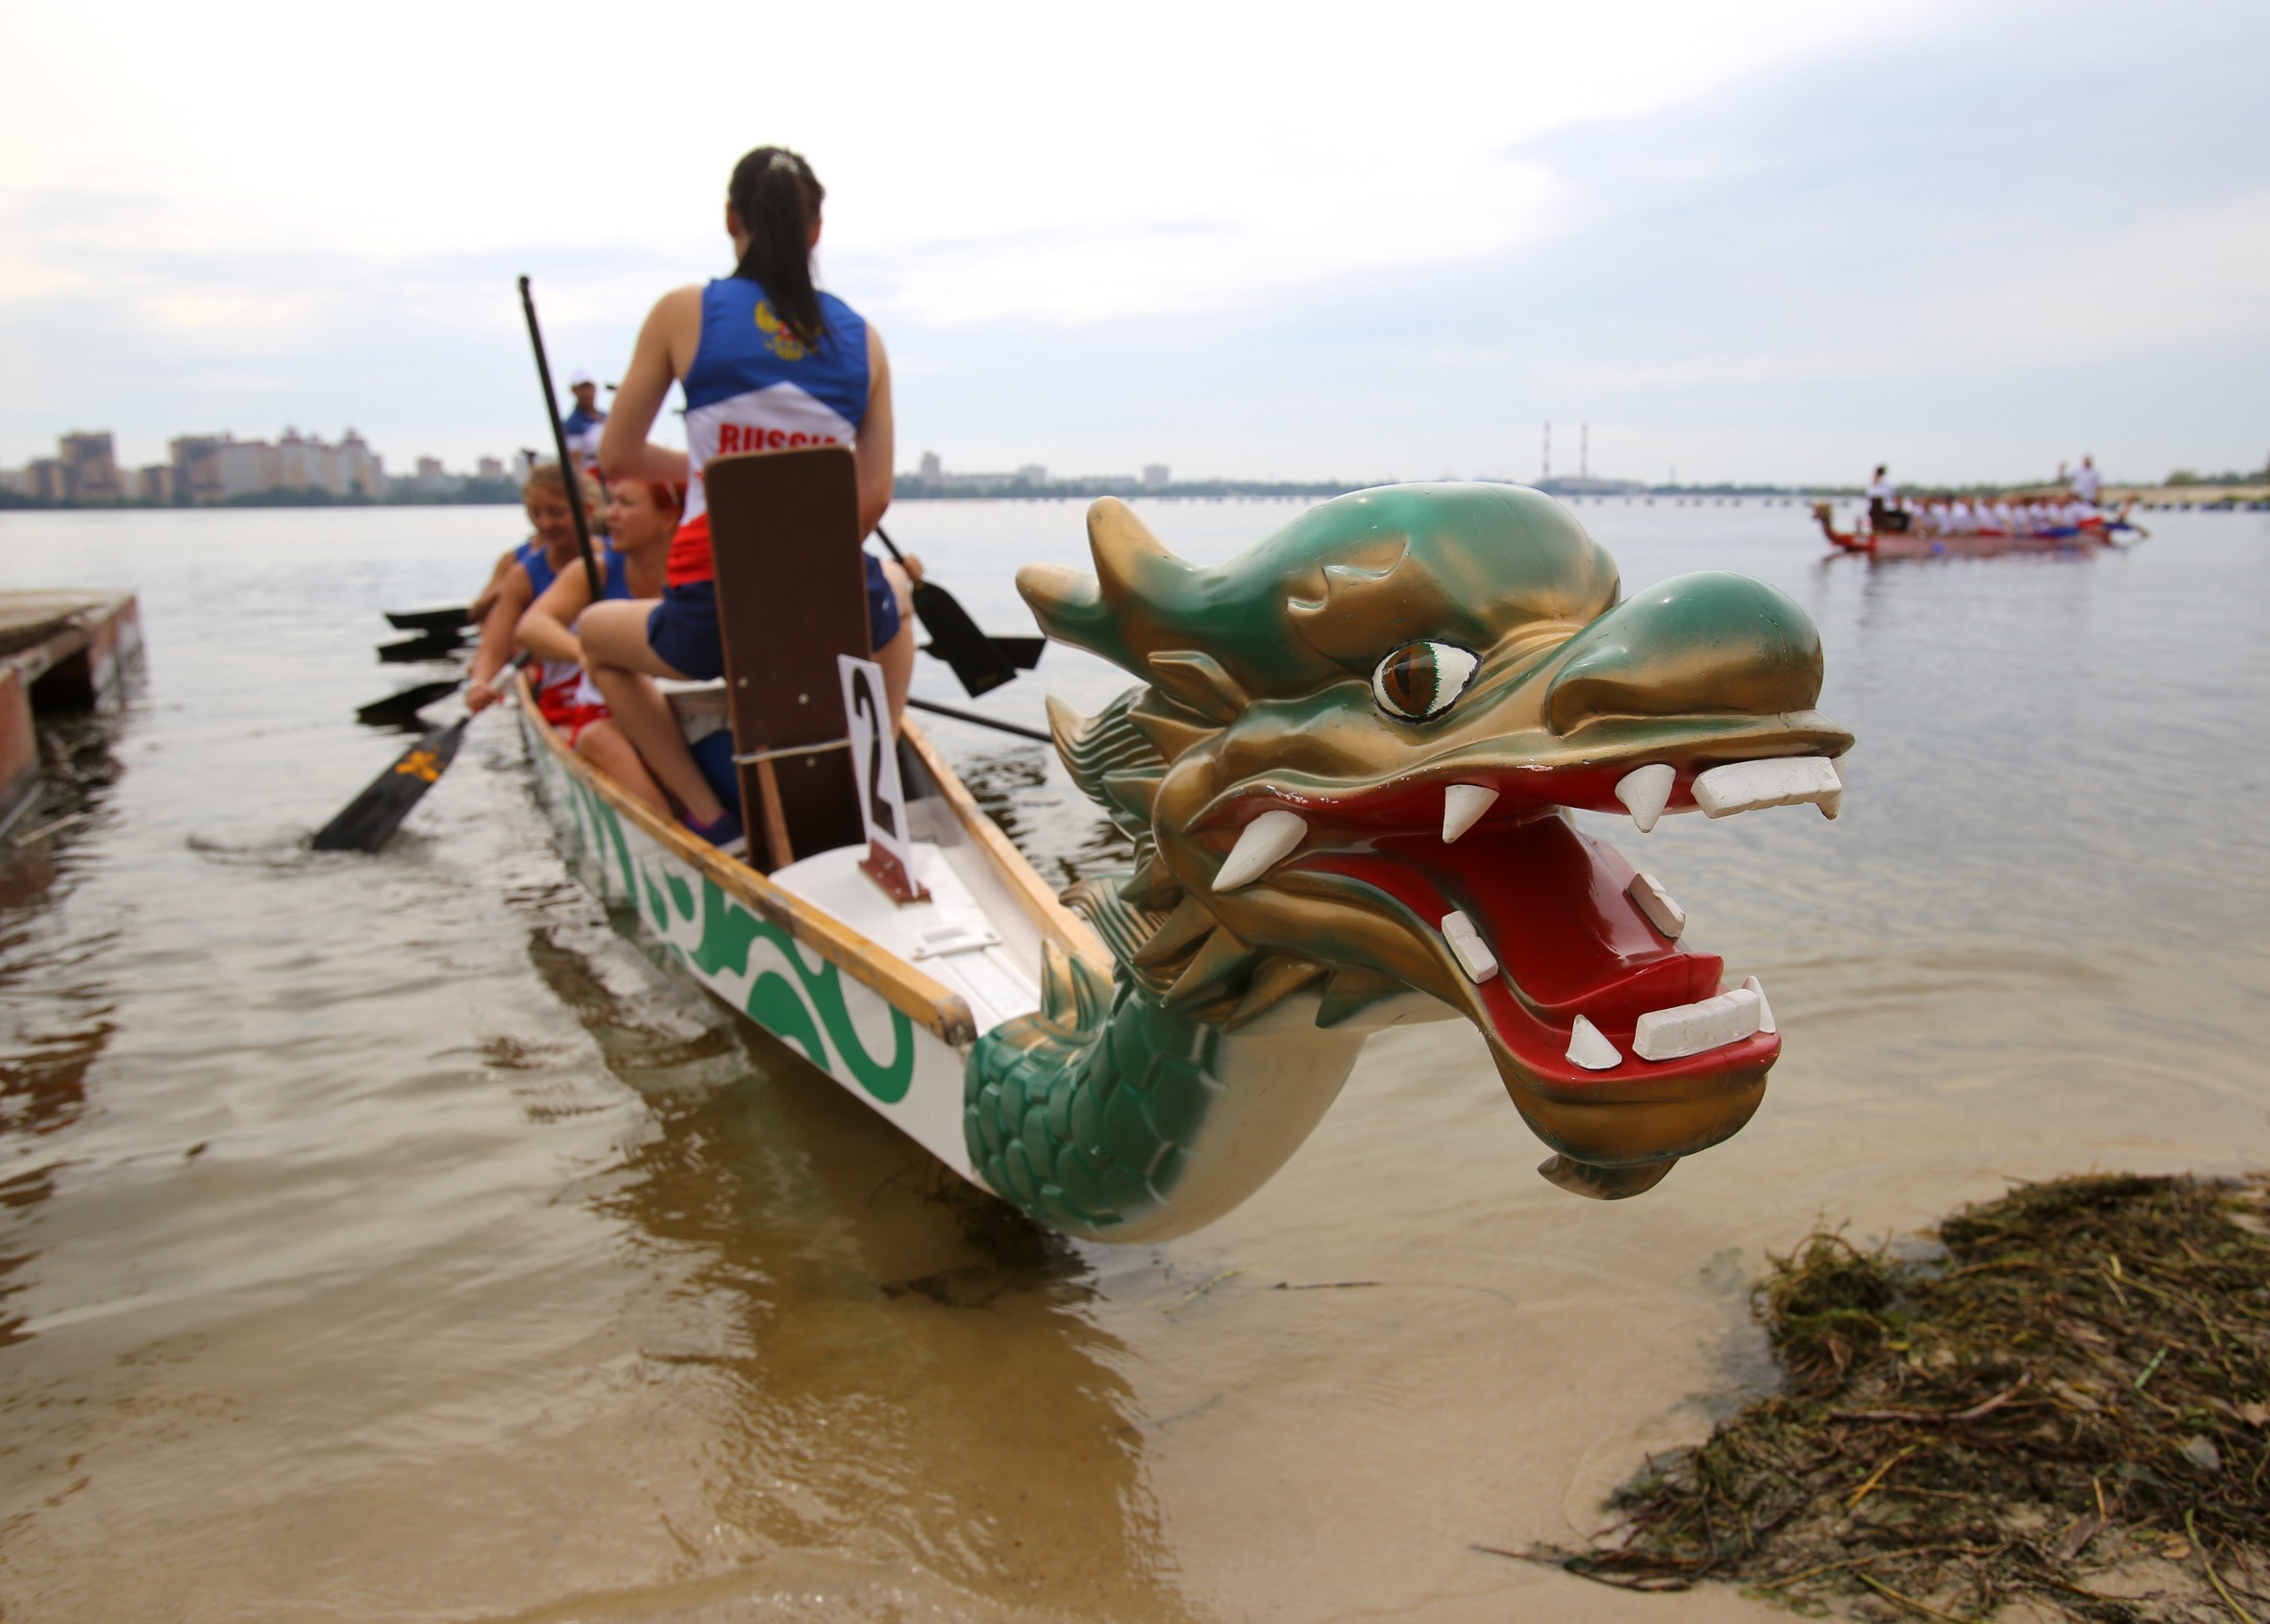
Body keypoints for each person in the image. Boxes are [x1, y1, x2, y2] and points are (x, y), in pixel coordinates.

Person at [581, 144, 915, 851]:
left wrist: (712, 468)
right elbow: (874, 495)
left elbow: (617, 458)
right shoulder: (866, 340)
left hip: (711, 611)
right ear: (816, 229)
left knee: (592, 637)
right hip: (832, 605)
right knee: (893, 596)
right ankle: (877, 780)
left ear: (731, 218)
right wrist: (800, 574)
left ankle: (709, 816)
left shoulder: (682, 313)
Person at [517, 479, 698, 819]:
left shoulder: (698, 575)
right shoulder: (596, 570)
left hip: (673, 707)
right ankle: (672, 834)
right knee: (598, 738)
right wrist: (587, 652)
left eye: (624, 504)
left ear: (669, 517)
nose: (609, 515)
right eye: (610, 502)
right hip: (606, 711)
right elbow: (531, 628)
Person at [467, 462, 605, 712]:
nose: (544, 524)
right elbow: (492, 648)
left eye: (556, 513)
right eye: (535, 514)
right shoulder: (523, 573)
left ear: (587, 510)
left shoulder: (616, 557)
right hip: (558, 685)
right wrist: (480, 683)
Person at [562, 370, 607, 476]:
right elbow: (575, 465)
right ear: (574, 391)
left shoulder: (607, 417)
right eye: (582, 388)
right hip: (593, 480)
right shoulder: (572, 425)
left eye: (589, 388)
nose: (587, 393)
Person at [1865, 465, 1909, 533]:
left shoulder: (1871, 482)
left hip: (1873, 510)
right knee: (1905, 516)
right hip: (1886, 510)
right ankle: (1902, 534)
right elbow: (1893, 495)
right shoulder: (1888, 482)